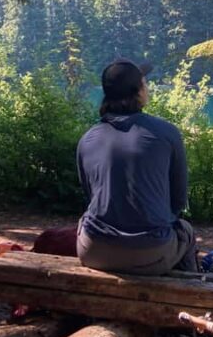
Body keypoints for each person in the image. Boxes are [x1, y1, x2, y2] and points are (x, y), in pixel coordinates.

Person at [76, 58, 198, 275]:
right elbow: (178, 200)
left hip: (94, 251)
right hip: (151, 253)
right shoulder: (166, 133)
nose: (147, 87)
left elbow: (91, 197)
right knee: (185, 231)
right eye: (145, 82)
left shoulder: (87, 139)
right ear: (138, 91)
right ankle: (189, 296)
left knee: (85, 221)